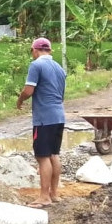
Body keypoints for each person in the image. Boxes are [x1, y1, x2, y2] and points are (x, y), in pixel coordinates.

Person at [16, 38, 66, 209]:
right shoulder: (60, 68)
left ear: (34, 50)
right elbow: (61, 93)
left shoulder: (36, 65)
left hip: (44, 118)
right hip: (59, 115)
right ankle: (54, 193)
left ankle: (44, 197)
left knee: (42, 157)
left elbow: (29, 90)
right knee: (54, 154)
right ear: (50, 51)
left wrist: (20, 99)